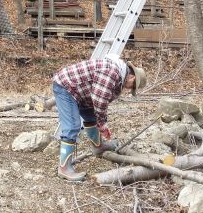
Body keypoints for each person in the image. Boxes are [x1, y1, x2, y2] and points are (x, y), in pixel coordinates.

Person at [52, 52, 147, 181]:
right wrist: (102, 125)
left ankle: (98, 147)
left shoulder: (118, 74)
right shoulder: (112, 73)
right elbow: (100, 100)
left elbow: (99, 99)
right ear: (132, 78)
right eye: (132, 87)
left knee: (91, 116)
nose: (129, 89)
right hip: (66, 87)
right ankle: (64, 168)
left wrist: (101, 123)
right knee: (72, 126)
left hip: (80, 91)